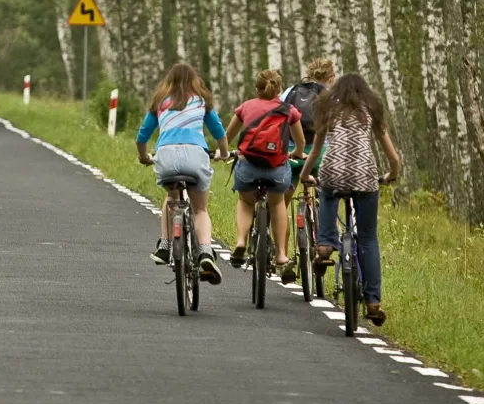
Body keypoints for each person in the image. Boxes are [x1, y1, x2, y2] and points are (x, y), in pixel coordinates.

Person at [299, 72, 400, 326]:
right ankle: (373, 302)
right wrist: (391, 175)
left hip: (333, 171)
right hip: (364, 174)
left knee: (328, 192)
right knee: (367, 236)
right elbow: (394, 158)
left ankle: (324, 245)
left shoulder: (328, 110)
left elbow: (315, 150)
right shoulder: (370, 111)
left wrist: (304, 175)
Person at [136, 62, 229, 284]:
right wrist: (223, 154)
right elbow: (219, 133)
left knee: (170, 197)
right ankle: (205, 252)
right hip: (195, 155)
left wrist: (144, 157)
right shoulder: (201, 101)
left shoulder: (160, 102)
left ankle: (166, 246)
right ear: (194, 81)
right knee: (200, 209)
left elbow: (142, 136)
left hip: (165, 156)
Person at [225, 69, 305, 272]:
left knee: (245, 201)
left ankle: (241, 241)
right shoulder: (289, 110)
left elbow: (227, 137)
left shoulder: (245, 107)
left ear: (257, 88)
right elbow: (300, 142)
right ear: (279, 89)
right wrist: (296, 153)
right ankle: (280, 254)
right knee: (277, 202)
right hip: (276, 169)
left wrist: (224, 152)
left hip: (249, 166)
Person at [277, 57, 336, 280]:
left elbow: (278, 118)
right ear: (330, 77)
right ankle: (322, 244)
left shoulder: (290, 91)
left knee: (280, 205)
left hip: (292, 154)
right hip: (320, 155)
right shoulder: (332, 96)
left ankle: (281, 253)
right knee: (326, 199)